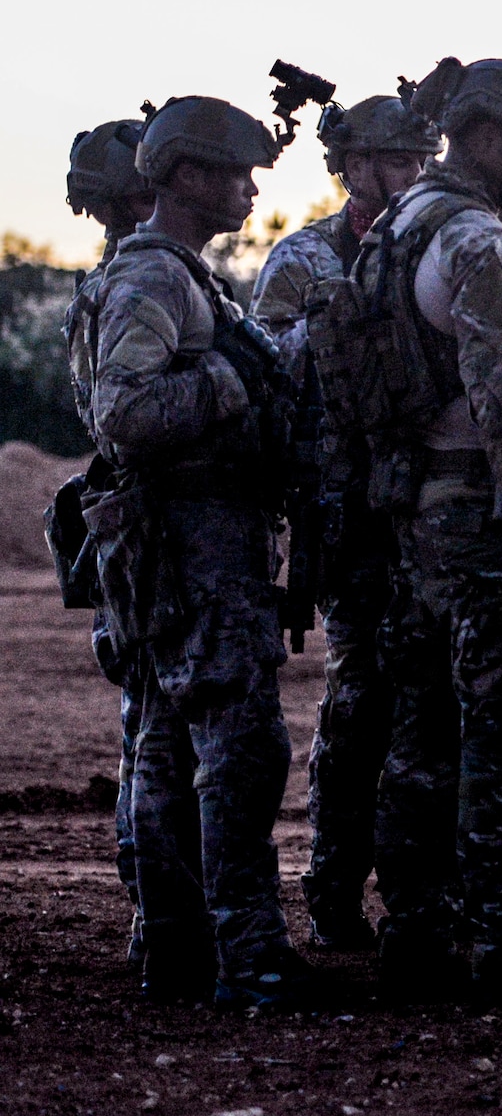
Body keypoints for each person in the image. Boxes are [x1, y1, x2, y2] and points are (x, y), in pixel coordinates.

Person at [349, 58, 502, 1010]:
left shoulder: (392, 228)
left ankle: (416, 928)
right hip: (479, 514)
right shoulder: (478, 241)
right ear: (488, 137)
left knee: (420, 727)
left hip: (408, 511)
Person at [86, 95, 318, 1008]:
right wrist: (230, 378)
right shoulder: (156, 279)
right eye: (230, 172)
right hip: (196, 539)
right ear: (182, 175)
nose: (248, 189)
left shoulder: (178, 274)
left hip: (186, 540)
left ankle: (179, 951)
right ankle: (250, 957)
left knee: (169, 747)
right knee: (239, 749)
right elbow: (125, 415)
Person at [250, 94, 438, 952]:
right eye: (394, 160)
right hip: (346, 517)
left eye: (417, 159)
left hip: (425, 509)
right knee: (359, 704)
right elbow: (270, 392)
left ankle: (425, 897)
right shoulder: (303, 261)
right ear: (353, 165)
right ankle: (333, 890)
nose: (410, 174)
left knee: (432, 706)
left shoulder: (430, 247)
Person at [60, 117, 168, 972]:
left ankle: (152, 911)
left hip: (122, 529)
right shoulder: (135, 288)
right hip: (147, 529)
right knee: (159, 726)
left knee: (146, 727)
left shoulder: (106, 287)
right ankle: (159, 917)